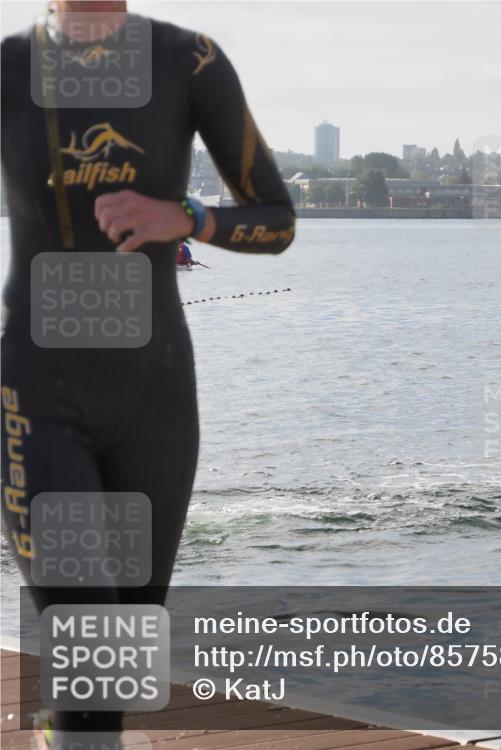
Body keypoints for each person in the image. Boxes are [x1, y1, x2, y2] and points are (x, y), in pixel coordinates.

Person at [0, 2, 295, 746]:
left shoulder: (190, 61)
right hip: (34, 395)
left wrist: (188, 218)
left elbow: (276, 218)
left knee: (118, 664)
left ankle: (59, 731)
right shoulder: (8, 67)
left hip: (154, 402)